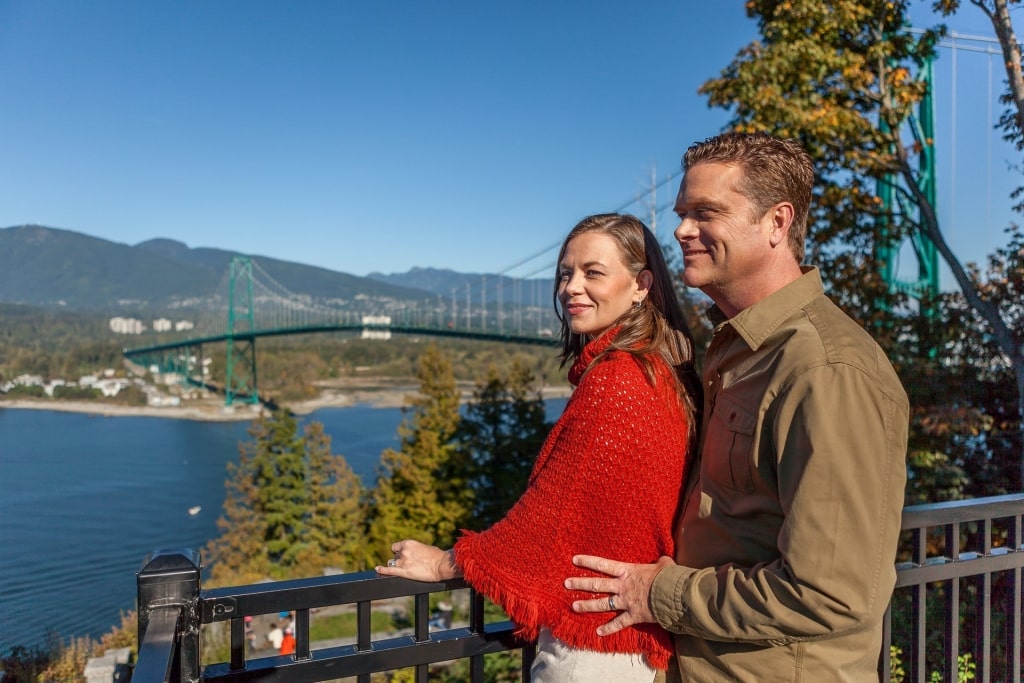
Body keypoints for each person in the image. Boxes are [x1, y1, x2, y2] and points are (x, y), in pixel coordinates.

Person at [565, 132, 910, 682]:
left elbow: (831, 593)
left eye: (706, 213)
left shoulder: (826, 370)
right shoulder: (736, 349)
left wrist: (661, 593)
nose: (679, 230)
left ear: (777, 222)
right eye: (682, 213)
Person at [376, 213, 702, 681]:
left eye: (593, 272)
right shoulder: (661, 369)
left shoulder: (616, 380)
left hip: (591, 645)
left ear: (641, 284)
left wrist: (447, 562)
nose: (571, 286)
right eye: (566, 273)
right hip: (633, 644)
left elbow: (548, 517)